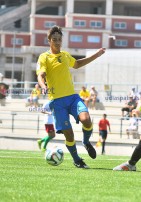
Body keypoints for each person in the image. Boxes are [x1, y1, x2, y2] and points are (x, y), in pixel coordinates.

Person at [36, 25, 106, 168]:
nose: (57, 42)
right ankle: (77, 160)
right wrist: (43, 86)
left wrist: (96, 55)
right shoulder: (44, 57)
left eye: (59, 39)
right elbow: (40, 75)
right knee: (69, 135)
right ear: (49, 40)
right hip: (57, 102)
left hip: (73, 98)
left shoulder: (65, 55)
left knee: (86, 120)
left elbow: (78, 64)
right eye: (54, 39)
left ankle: (86, 142)